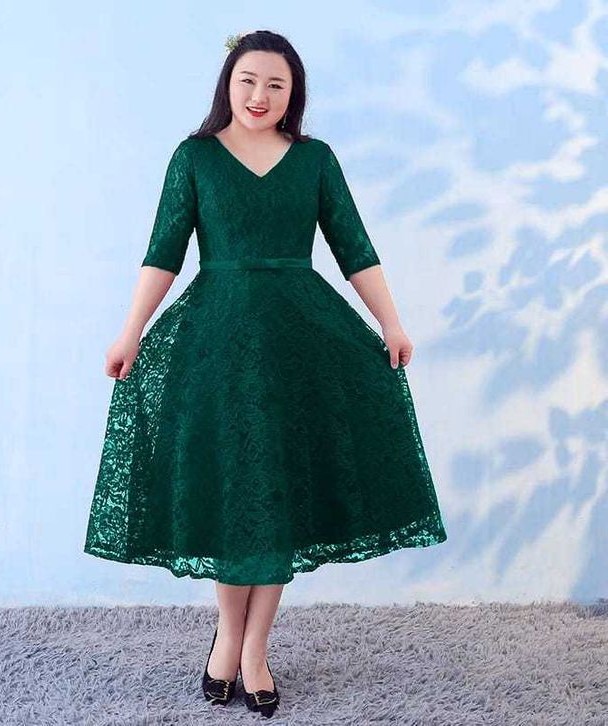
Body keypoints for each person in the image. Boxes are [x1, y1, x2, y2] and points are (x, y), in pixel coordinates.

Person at [83, 29, 448, 718]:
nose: (260, 95)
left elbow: (355, 248)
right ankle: (228, 637)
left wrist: (392, 324)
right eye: (248, 80)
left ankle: (257, 649)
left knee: (277, 493)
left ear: (293, 94)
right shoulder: (194, 157)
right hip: (216, 347)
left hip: (297, 346)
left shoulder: (315, 160)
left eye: (276, 84)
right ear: (228, 83)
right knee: (232, 491)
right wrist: (129, 332)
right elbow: (163, 252)